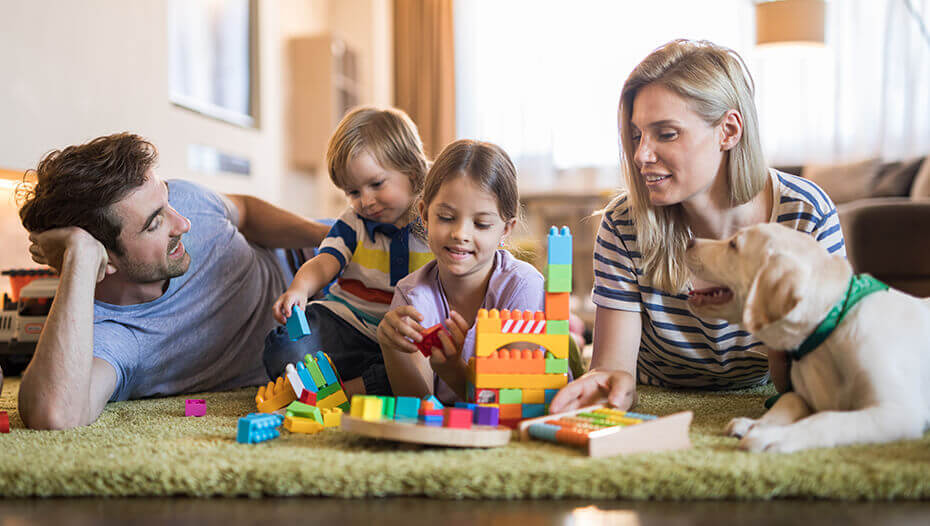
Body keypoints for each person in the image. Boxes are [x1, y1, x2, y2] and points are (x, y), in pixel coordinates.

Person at [549, 40, 846, 413]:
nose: (642, 154)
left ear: (729, 130)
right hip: (658, 384)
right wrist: (610, 384)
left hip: (761, 387)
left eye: (667, 133)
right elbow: (613, 368)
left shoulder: (806, 214)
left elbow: (817, 374)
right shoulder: (624, 222)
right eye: (637, 134)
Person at [18, 132, 331, 429]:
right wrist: (79, 253)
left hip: (320, 260)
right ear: (105, 259)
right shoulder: (113, 336)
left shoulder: (183, 202)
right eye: (155, 223)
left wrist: (333, 240)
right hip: (318, 343)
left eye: (168, 201)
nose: (183, 222)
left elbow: (245, 212)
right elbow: (55, 414)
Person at [263, 107, 432, 396]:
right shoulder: (353, 223)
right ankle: (364, 384)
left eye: (376, 184)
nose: (365, 201)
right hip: (347, 323)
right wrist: (299, 290)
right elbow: (324, 262)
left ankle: (355, 385)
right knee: (282, 348)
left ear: (413, 172)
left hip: (404, 337)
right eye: (353, 192)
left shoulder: (435, 225)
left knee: (432, 367)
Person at [377, 140, 546, 404]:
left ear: (506, 229)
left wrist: (455, 372)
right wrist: (391, 348)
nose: (460, 234)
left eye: (481, 224)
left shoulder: (522, 285)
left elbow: (510, 404)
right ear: (424, 214)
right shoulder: (412, 295)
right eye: (446, 217)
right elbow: (419, 406)